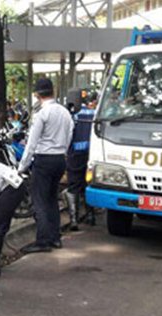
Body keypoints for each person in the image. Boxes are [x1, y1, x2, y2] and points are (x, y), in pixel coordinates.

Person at [18, 78, 74, 254]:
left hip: (43, 159)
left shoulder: (42, 114)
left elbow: (31, 144)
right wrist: (62, 150)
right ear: (53, 91)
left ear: (36, 95)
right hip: (59, 159)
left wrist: (22, 167)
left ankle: (43, 240)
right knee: (51, 199)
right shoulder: (65, 112)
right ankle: (55, 237)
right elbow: (70, 133)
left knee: (40, 200)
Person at [66, 92, 97, 230]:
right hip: (91, 154)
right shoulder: (93, 113)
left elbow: (68, 136)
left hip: (75, 154)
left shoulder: (72, 116)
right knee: (87, 184)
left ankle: (74, 220)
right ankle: (90, 215)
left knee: (73, 186)